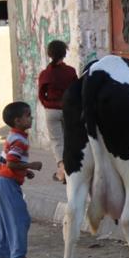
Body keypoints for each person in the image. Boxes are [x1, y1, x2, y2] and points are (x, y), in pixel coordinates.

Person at [0, 102, 43, 258]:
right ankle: (18, 257)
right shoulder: (20, 139)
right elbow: (12, 163)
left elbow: (11, 161)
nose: (31, 118)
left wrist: (24, 172)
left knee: (4, 220)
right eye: (28, 115)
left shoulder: (14, 135)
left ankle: (2, 254)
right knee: (20, 219)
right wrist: (30, 166)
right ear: (17, 121)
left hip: (1, 181)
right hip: (7, 183)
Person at [37, 40, 77, 183]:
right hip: (68, 110)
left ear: (49, 54)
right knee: (69, 139)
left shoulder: (45, 74)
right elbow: (75, 91)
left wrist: (47, 104)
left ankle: (61, 169)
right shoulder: (71, 71)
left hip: (51, 110)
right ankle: (68, 170)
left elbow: (41, 95)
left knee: (57, 141)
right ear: (64, 53)